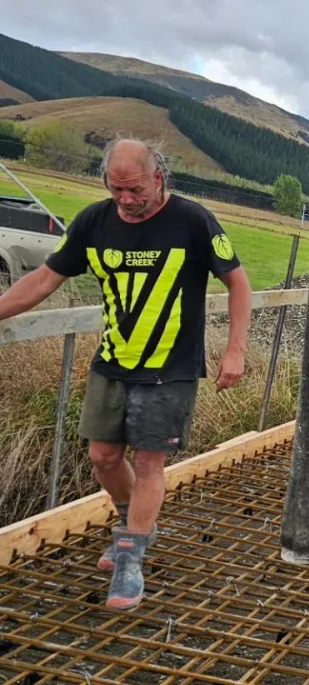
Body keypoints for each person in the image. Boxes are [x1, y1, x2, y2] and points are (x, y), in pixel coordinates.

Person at [0, 139, 252, 610]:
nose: (126, 200)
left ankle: (130, 558)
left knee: (151, 460)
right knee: (103, 456)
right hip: (113, 360)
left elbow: (237, 281)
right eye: (116, 190)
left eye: (134, 189)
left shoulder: (193, 220)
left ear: (159, 179)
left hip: (170, 366)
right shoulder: (93, 221)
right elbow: (43, 279)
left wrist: (235, 349)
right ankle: (135, 524)